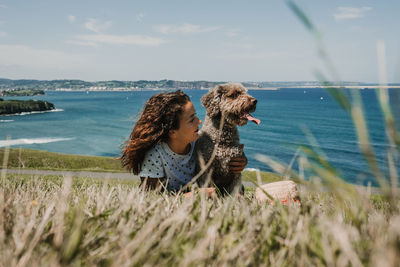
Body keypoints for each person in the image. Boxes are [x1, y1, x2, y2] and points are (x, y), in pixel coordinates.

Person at [120, 90, 247, 195]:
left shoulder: (201, 142)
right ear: (172, 131)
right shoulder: (155, 156)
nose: (199, 122)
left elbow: (222, 167)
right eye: (192, 120)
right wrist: (194, 195)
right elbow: (152, 197)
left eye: (196, 116)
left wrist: (239, 161)